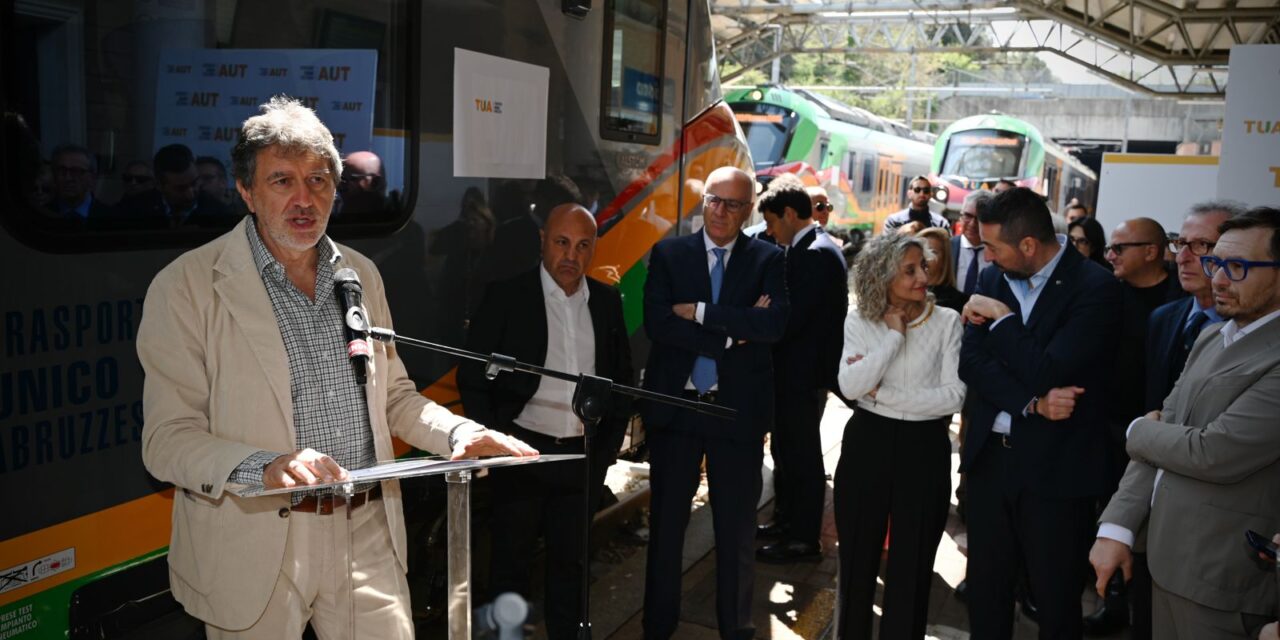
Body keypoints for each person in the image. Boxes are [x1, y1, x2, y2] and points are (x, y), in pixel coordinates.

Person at [137, 97, 536, 639]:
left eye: (319, 180)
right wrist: (266, 464)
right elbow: (166, 440)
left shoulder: (361, 275)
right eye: (282, 181)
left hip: (365, 527)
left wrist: (460, 431)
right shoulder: (186, 286)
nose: (304, 199)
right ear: (246, 191)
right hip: (253, 539)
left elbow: (394, 396)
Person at [1089, 206, 1280, 640]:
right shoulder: (1214, 335)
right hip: (1164, 560)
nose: (1219, 279)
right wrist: (1117, 527)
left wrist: (1139, 429)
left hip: (1225, 578)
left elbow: (1214, 452)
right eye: (1216, 264)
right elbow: (1168, 429)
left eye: (1238, 267)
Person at [458, 203, 633, 640]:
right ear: (542, 241)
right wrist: (493, 440)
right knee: (510, 563)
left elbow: (623, 385)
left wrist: (605, 453)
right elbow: (472, 377)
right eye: (561, 242)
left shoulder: (607, 303)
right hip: (522, 451)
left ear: (593, 249)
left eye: (582, 245)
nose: (571, 255)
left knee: (571, 565)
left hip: (580, 457)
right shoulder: (506, 296)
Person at [959, 187, 1122, 640]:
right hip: (991, 460)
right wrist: (1031, 403)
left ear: (1028, 245)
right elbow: (971, 362)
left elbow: (1051, 368)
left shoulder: (1096, 287)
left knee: (1055, 598)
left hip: (1056, 469)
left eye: (993, 247)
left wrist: (1002, 320)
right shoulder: (995, 276)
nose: (986, 258)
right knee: (986, 594)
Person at [640, 166, 788, 640]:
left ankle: (735, 629)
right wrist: (730, 337)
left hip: (736, 413)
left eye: (733, 204)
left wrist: (702, 313)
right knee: (666, 529)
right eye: (713, 200)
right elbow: (659, 323)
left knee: (735, 532)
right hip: (677, 410)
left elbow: (772, 326)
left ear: (749, 211)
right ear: (703, 201)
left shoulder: (768, 259)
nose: (720, 211)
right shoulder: (669, 253)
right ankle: (658, 627)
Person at [834, 232, 965, 638]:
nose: (922, 276)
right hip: (866, 443)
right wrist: (892, 338)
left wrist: (884, 393)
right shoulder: (859, 318)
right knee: (856, 560)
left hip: (924, 449)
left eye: (923, 266)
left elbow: (954, 397)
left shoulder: (947, 321)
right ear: (882, 275)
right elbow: (851, 386)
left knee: (911, 567)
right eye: (909, 270)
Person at [752, 177, 847, 564]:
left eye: (773, 222)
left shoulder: (814, 253)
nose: (770, 231)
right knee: (787, 450)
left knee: (802, 455)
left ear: (790, 214)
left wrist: (760, 320)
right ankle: (786, 521)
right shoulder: (813, 247)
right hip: (796, 373)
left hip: (802, 374)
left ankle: (803, 538)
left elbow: (794, 318)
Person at [117, 143, 232, 228]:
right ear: (159, 185)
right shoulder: (133, 211)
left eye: (194, 183)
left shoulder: (220, 213)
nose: (190, 194)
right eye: (180, 188)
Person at [1106, 217, 1184, 308]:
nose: (1109, 257)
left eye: (1118, 248)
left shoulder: (1187, 295)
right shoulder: (1107, 293)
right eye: (1109, 249)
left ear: (1150, 252)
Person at [50, 144, 113, 221]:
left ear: (92, 178)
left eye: (76, 171)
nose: (68, 178)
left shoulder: (112, 217)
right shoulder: (41, 214)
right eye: (62, 171)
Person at [954, 190, 994, 297]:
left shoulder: (999, 256)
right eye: (967, 215)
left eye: (979, 218)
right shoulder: (946, 248)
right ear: (960, 216)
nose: (973, 224)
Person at [918, 227, 966, 312]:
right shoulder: (904, 293)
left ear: (944, 260)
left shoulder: (957, 301)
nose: (925, 256)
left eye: (933, 252)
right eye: (921, 250)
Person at [882, 175, 950, 234]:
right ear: (909, 193)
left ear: (930, 195)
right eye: (917, 190)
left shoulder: (941, 224)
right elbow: (887, 246)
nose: (922, 194)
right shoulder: (894, 221)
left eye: (926, 191)